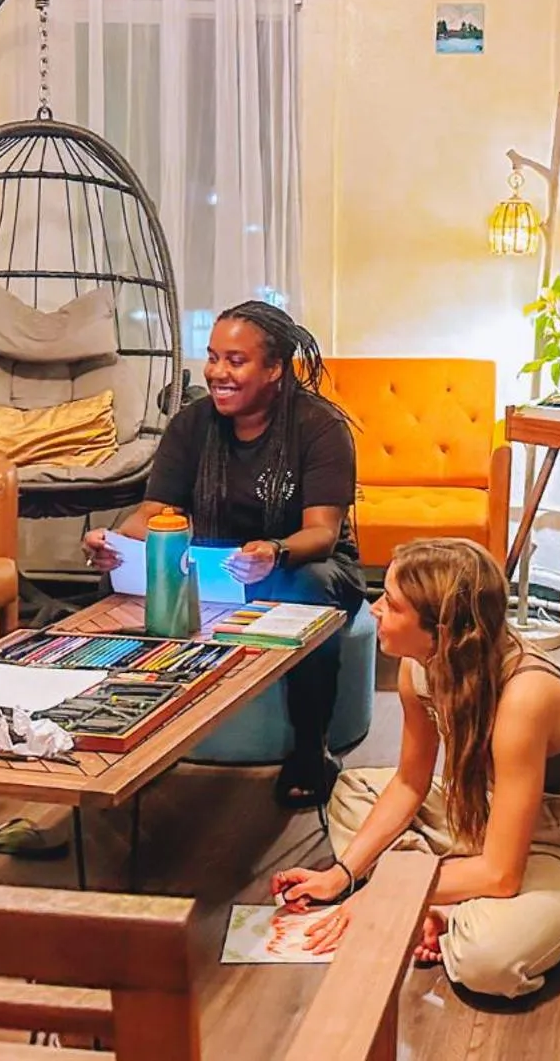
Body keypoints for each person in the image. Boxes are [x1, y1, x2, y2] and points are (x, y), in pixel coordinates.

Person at [270, 539, 560, 999]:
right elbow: (410, 782)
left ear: (443, 629)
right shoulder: (420, 666)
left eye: (392, 603)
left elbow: (503, 872)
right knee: (354, 790)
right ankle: (443, 892)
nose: (375, 610)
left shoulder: (527, 697)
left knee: (486, 960)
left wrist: (390, 895)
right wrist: (341, 874)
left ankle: (447, 909)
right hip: (488, 819)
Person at [84, 300, 362, 807]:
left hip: (297, 564)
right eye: (213, 357)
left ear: (275, 369)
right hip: (214, 566)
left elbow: (321, 532)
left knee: (308, 590)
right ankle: (136, 735)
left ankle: (308, 748)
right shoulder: (192, 427)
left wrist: (273, 553)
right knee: (118, 578)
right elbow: (154, 513)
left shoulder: (319, 428)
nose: (217, 372)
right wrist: (115, 544)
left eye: (235, 361)